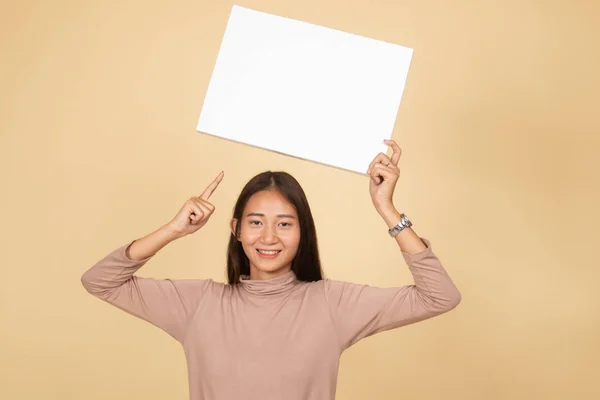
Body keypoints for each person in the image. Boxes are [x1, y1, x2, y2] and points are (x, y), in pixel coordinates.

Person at [81, 139, 461, 400]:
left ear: (302, 232)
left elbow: (439, 296)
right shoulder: (197, 303)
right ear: (236, 230)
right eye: (256, 222)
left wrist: (387, 209)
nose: (269, 237)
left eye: (284, 223)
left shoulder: (332, 304)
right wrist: (173, 229)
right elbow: (100, 281)